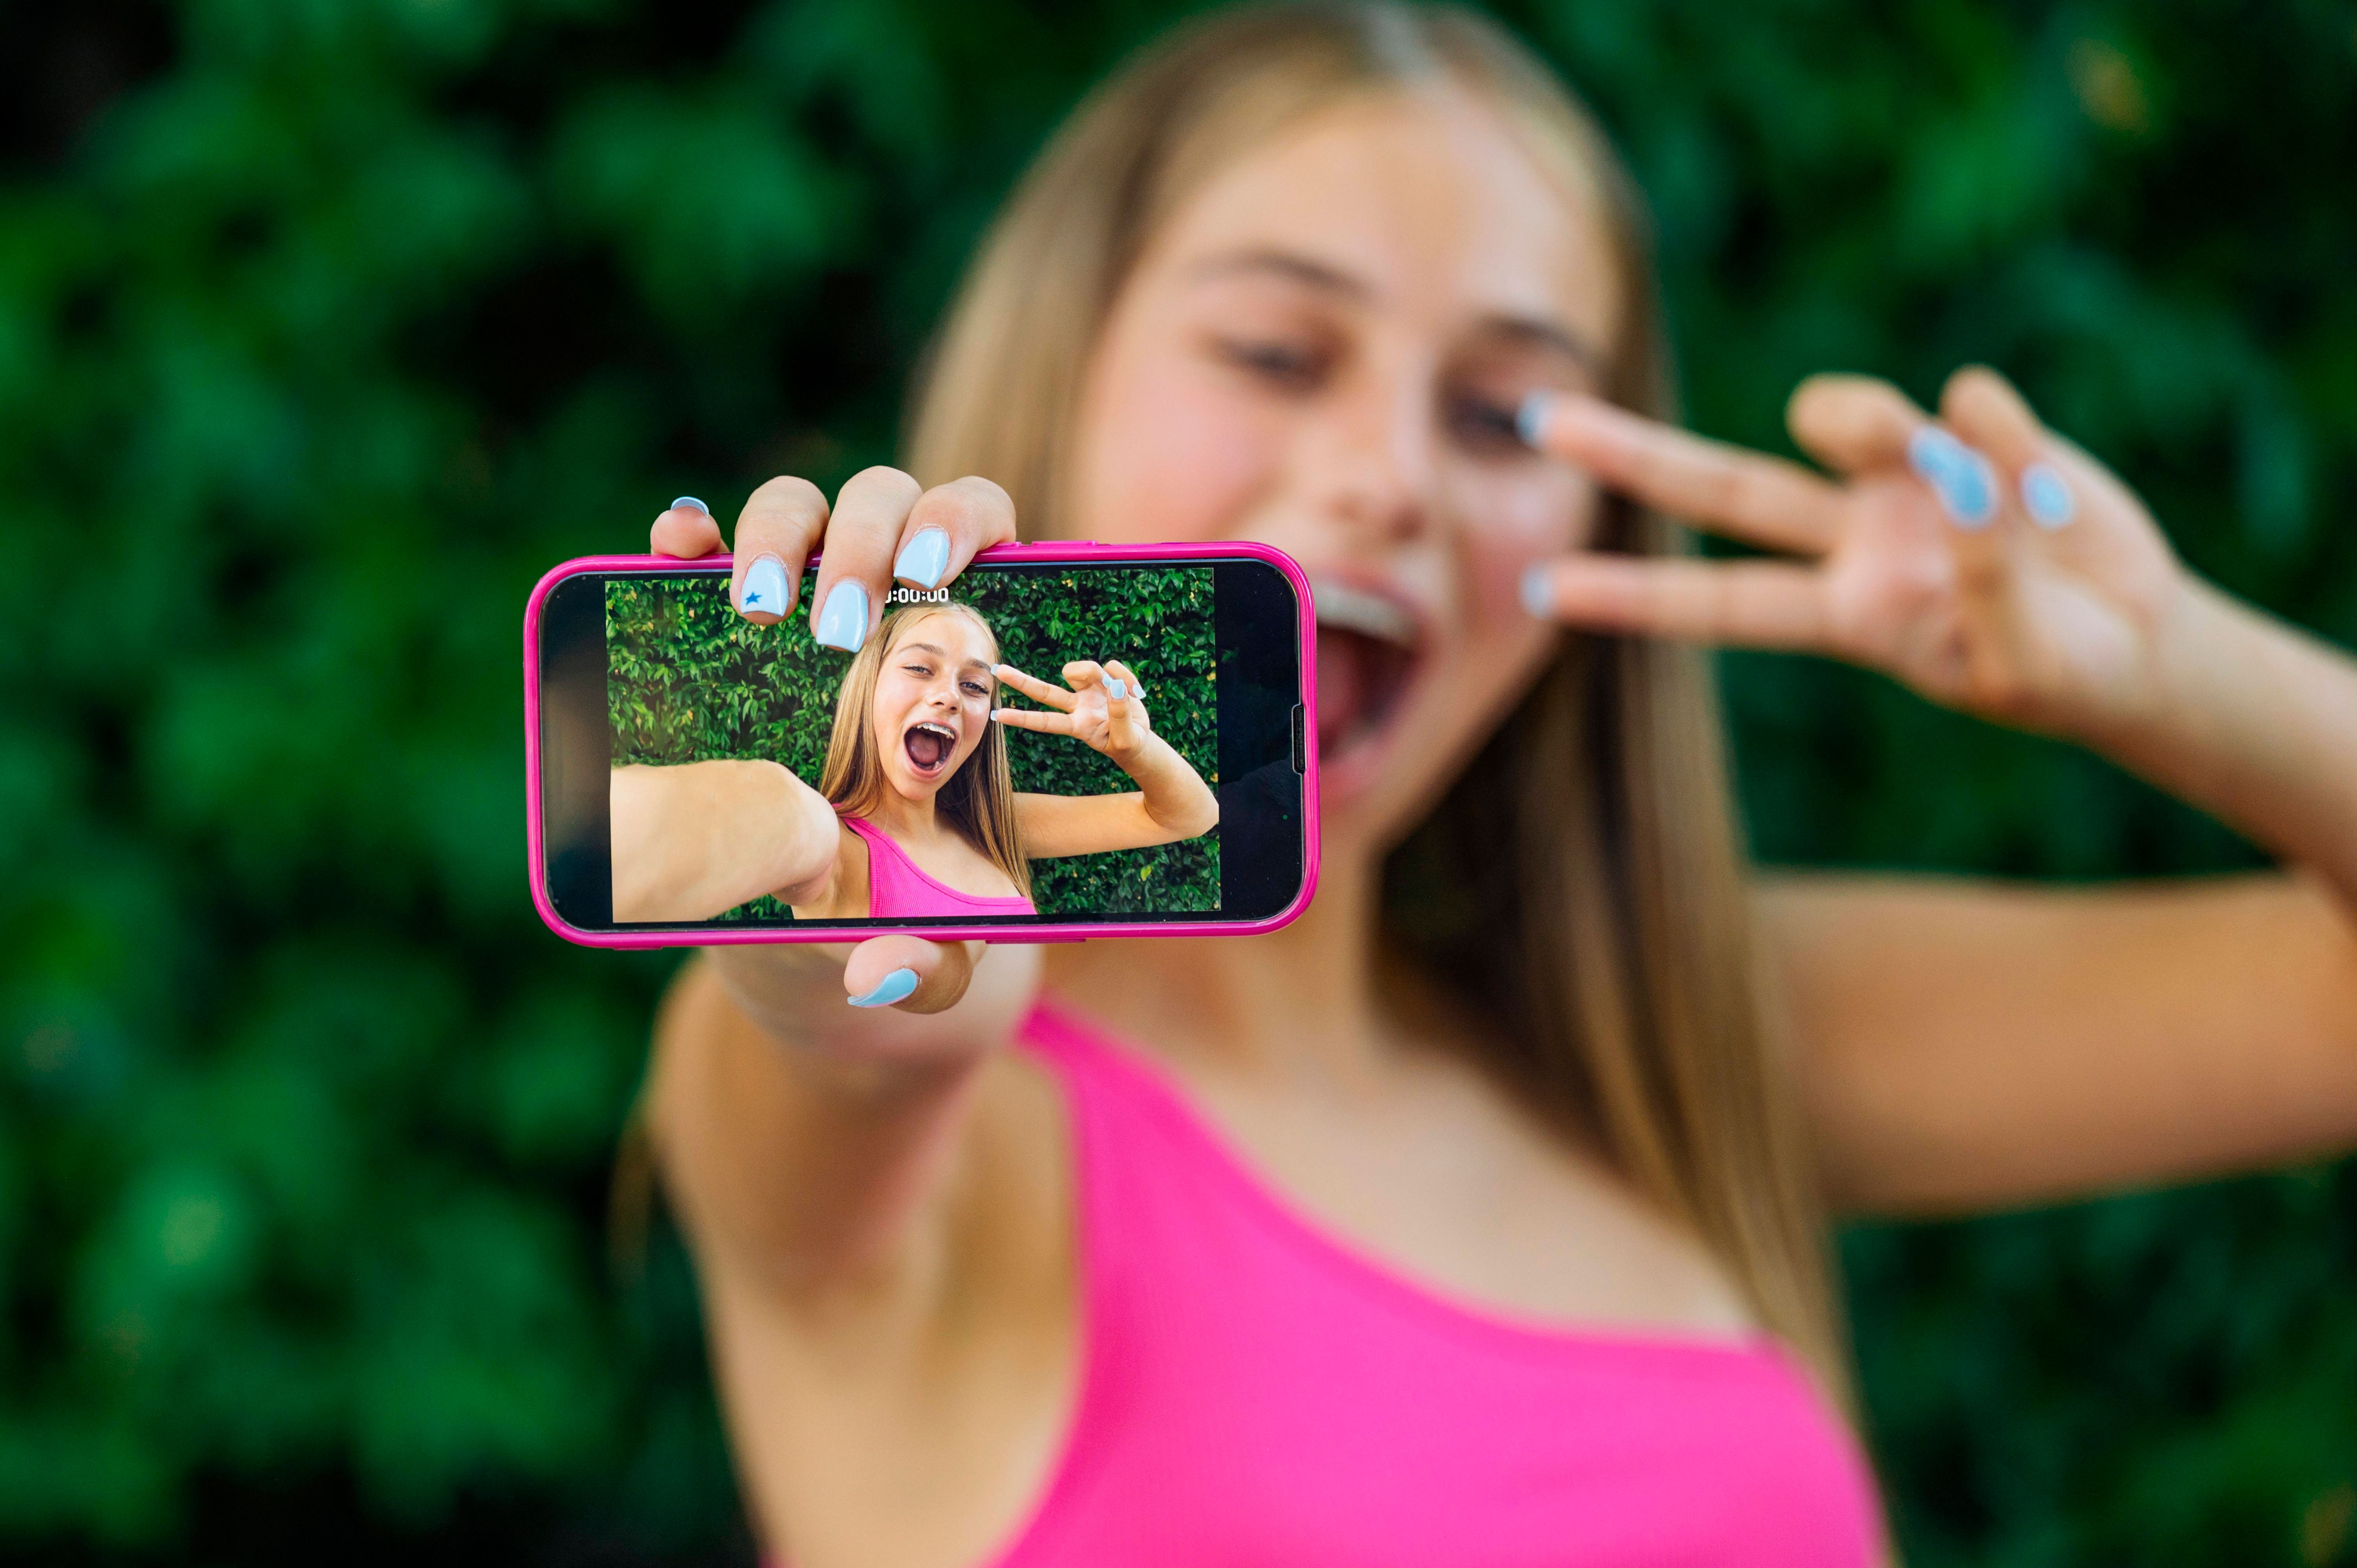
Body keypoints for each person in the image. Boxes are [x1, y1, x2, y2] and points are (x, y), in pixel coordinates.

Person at [631, 5, 2357, 1565]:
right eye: (1279, 353)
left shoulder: (1672, 1026)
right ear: (1059, 379)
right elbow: (846, 1026)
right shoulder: (930, 1134)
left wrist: (2178, 664)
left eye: (1510, 417)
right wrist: (854, 903)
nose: (1391, 474)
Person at [608, 601, 1216, 932]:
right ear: (868, 690)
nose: (949, 696)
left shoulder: (998, 826)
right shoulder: (831, 844)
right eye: (921, 669)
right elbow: (772, 815)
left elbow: (1187, 816)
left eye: (974, 686)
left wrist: (1135, 749)